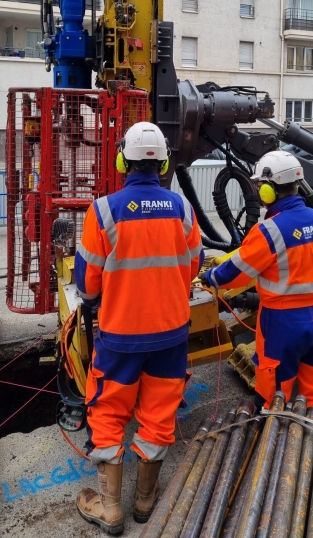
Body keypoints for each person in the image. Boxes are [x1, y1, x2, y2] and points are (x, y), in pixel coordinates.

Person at [74, 122, 203, 534]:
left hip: (120, 336)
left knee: (109, 411)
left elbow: (87, 282)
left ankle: (111, 510)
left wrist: (98, 296)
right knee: (159, 413)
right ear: (164, 162)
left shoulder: (104, 210)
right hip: (171, 334)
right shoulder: (182, 209)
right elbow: (194, 265)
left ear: (121, 160)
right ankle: (145, 500)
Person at [202, 150, 313, 414]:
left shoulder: (270, 231)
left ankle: (271, 441)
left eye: (260, 187)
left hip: (282, 323)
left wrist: (211, 277)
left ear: (268, 191)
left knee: (274, 391)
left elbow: (236, 272)